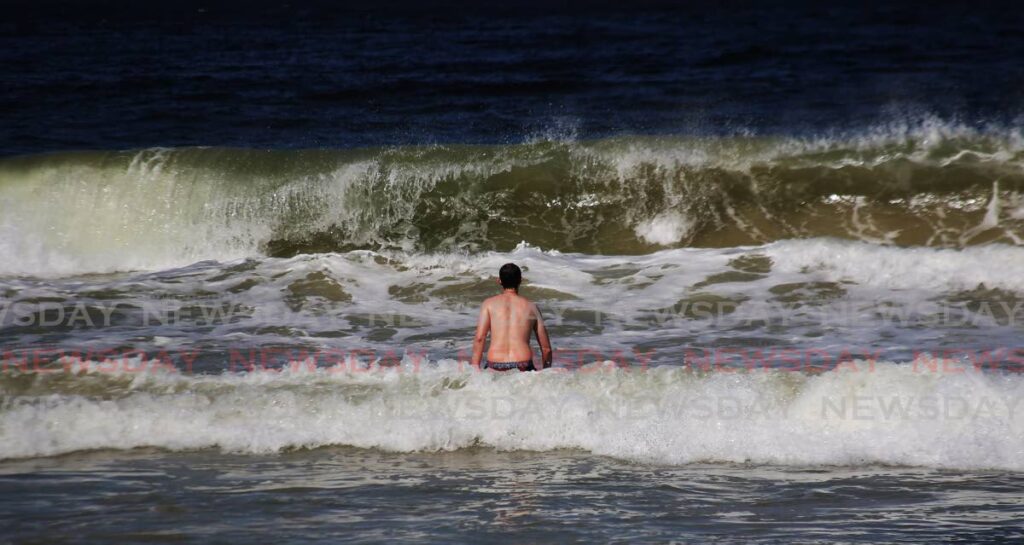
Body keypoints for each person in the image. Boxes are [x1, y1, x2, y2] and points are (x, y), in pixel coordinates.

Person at [471, 263, 553, 371]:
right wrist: (546, 373)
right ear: (520, 280)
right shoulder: (532, 307)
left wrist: (475, 367)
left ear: (499, 281)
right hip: (522, 364)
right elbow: (546, 349)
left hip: (495, 364)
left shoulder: (488, 304)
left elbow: (480, 338)